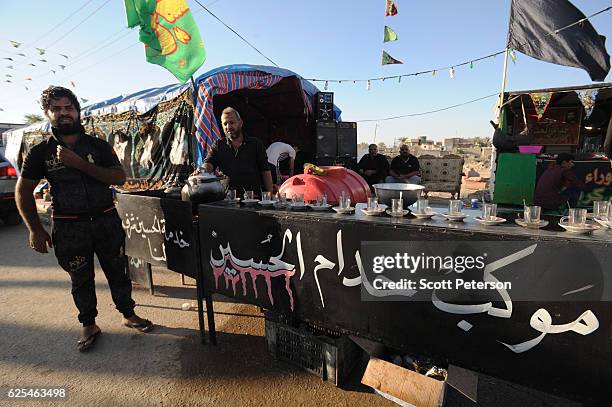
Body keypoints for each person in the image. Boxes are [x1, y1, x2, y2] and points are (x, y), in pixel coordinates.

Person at [15, 86, 153, 352]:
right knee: (80, 279)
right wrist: (34, 229)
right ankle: (89, 324)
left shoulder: (97, 146)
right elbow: (23, 190)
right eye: (56, 109)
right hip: (69, 227)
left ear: (77, 112)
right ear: (48, 114)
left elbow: (118, 178)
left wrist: (80, 164)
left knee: (118, 272)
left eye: (68, 108)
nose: (63, 113)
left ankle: (128, 314)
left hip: (106, 221)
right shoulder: (39, 152)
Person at [202, 107, 273, 195]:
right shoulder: (218, 145)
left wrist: (269, 195)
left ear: (240, 123)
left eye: (231, 122)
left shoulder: (255, 144)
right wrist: (202, 171)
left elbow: (265, 170)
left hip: (253, 199)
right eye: (225, 124)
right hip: (228, 199)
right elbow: (209, 163)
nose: (228, 127)